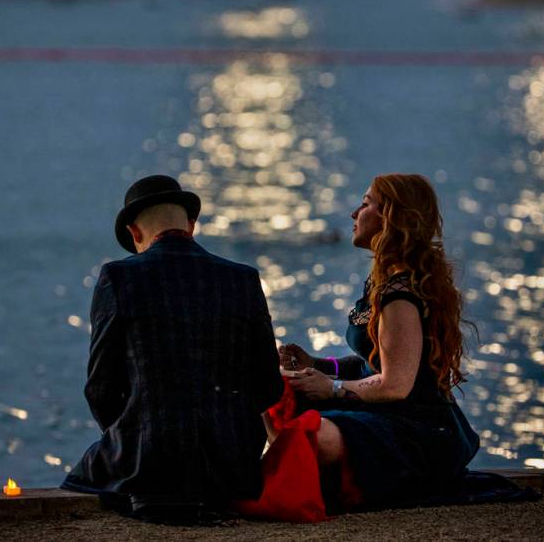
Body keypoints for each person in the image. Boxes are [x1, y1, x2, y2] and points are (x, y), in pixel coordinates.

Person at [62, 175, 283, 522]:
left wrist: (131, 434)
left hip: (148, 464)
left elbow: (100, 388)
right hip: (232, 468)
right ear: (191, 225)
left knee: (76, 482)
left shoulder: (118, 278)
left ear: (135, 233)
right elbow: (269, 385)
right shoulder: (243, 279)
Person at [277, 173, 480, 508]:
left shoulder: (399, 294)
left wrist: (331, 388)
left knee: (310, 434)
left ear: (391, 217)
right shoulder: (385, 281)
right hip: (388, 413)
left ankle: (307, 486)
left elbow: (395, 385)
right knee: (277, 391)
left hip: (418, 430)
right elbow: (373, 362)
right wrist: (317, 365)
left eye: (366, 203)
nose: (355, 214)